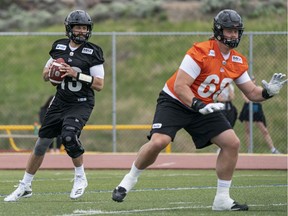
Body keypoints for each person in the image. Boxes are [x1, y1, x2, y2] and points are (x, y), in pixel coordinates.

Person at [111, 9, 287, 211]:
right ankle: (129, 179)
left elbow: (253, 93)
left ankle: (222, 199)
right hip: (175, 101)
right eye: (229, 30)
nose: (233, 35)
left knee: (231, 143)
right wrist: (198, 105)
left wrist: (268, 92)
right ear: (219, 30)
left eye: (236, 31)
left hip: (204, 106)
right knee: (160, 141)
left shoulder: (237, 61)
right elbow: (180, 86)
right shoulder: (200, 51)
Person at [4, 10, 105, 202]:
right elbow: (44, 75)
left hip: (81, 103)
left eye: (85, 28)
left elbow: (99, 84)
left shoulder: (93, 51)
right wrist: (53, 72)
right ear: (70, 29)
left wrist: (74, 74)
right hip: (60, 101)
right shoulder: (59, 46)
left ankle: (80, 178)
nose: (82, 31)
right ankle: (25, 186)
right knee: (41, 143)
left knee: (68, 136)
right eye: (78, 27)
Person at [239, 77, 281, 154]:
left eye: (253, 79)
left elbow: (261, 99)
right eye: (251, 79)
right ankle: (249, 150)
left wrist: (255, 97)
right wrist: (254, 97)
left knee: (264, 130)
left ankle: (273, 149)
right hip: (248, 110)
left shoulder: (259, 88)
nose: (252, 81)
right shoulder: (244, 89)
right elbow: (247, 100)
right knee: (247, 130)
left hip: (257, 110)